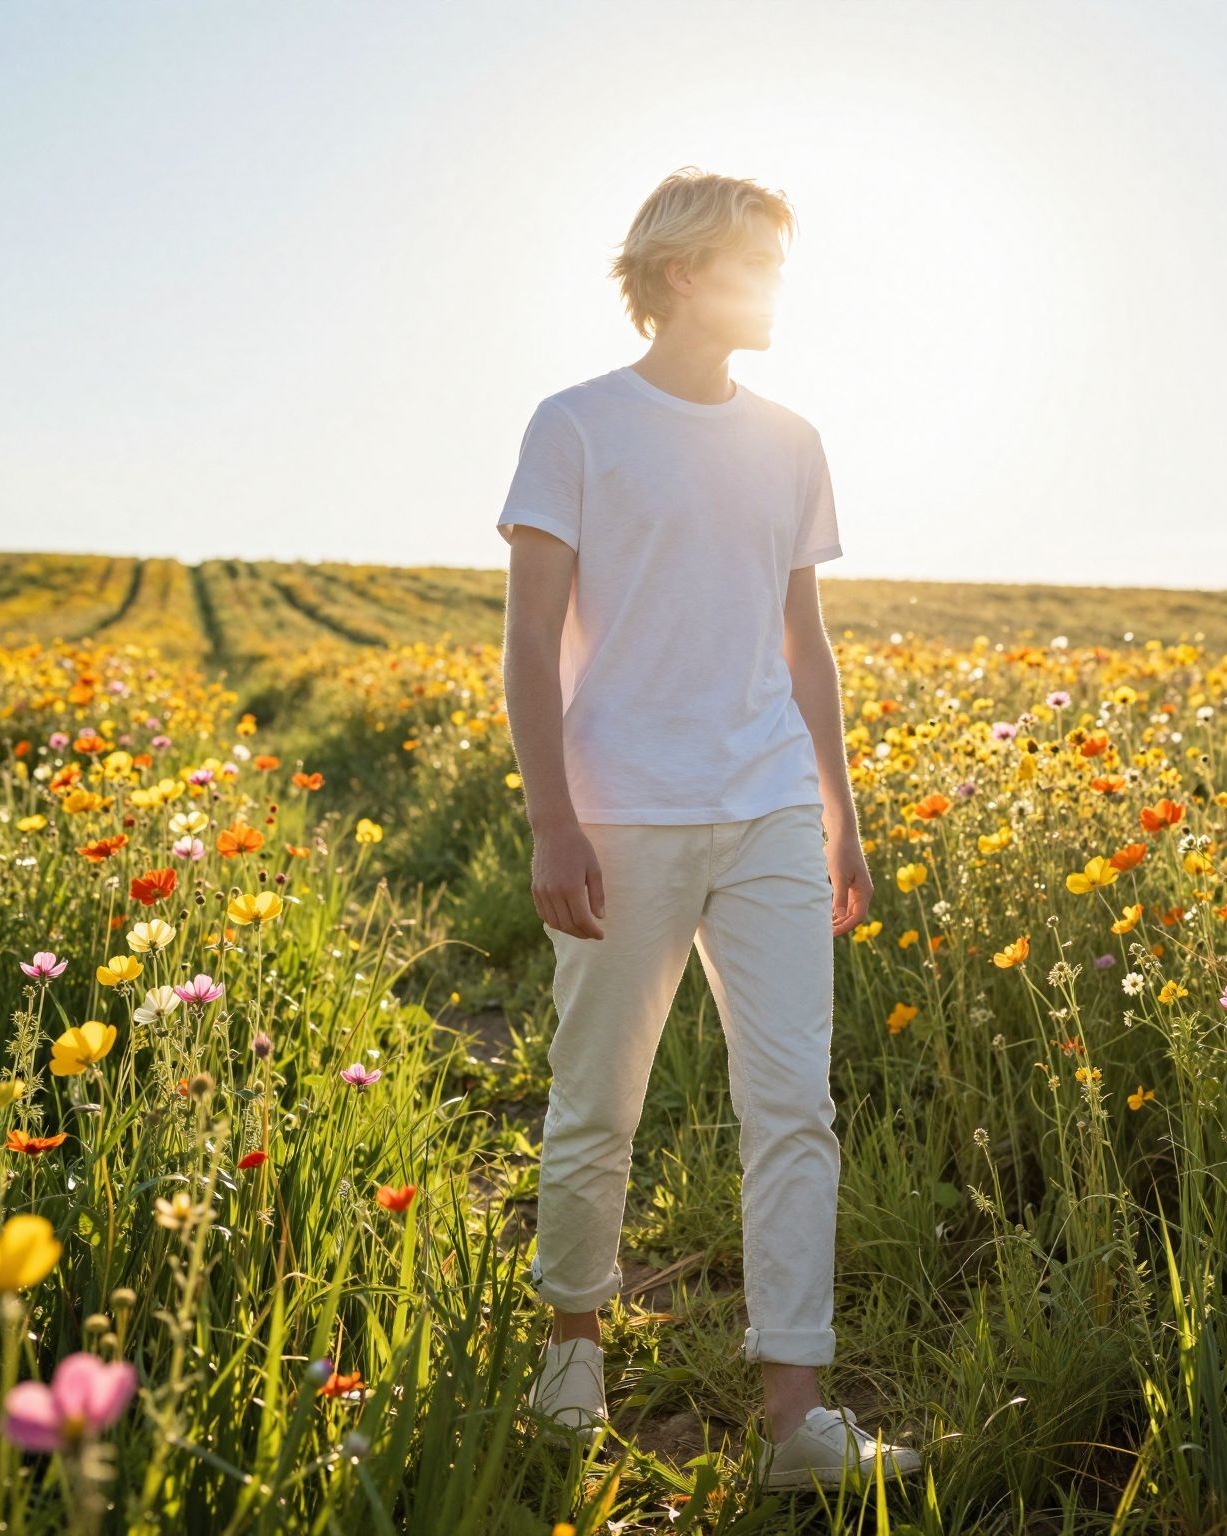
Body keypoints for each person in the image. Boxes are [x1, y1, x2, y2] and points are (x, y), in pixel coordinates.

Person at [495, 167, 921, 1493]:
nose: (780, 287)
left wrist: (841, 815)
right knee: (597, 1103)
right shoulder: (573, 427)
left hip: (772, 812)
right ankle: (572, 1364)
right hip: (622, 814)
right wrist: (552, 818)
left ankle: (795, 1418)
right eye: (757, 262)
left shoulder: (792, 440)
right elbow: (525, 646)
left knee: (796, 1105)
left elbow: (806, 642)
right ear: (682, 276)